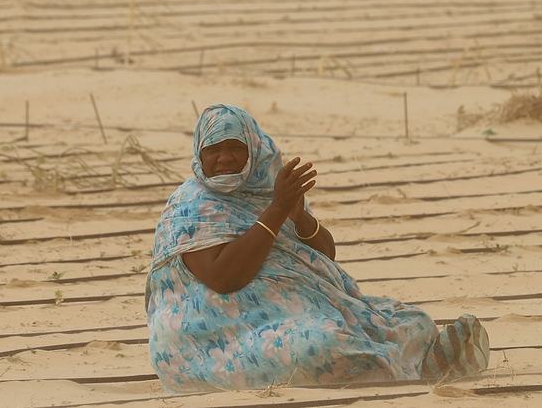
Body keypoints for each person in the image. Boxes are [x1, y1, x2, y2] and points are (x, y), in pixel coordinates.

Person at [145, 104, 489, 392]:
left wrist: (298, 216)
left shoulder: (268, 188)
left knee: (415, 321)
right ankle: (419, 367)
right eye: (213, 150)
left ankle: (416, 362)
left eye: (234, 147)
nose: (224, 158)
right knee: (322, 345)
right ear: (199, 155)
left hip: (300, 309)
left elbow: (324, 256)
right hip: (215, 335)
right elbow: (224, 278)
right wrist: (277, 210)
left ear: (252, 148)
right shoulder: (188, 207)